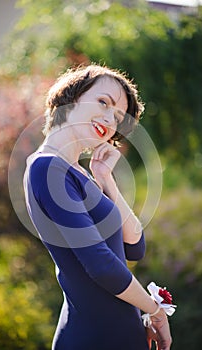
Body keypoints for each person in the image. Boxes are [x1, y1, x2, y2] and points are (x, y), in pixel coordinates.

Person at [23, 64, 172, 350]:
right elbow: (102, 265)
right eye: (103, 102)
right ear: (71, 98)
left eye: (117, 116)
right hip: (90, 338)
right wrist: (155, 312)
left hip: (120, 335)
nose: (109, 118)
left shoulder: (80, 174)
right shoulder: (47, 168)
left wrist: (106, 180)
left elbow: (134, 246)